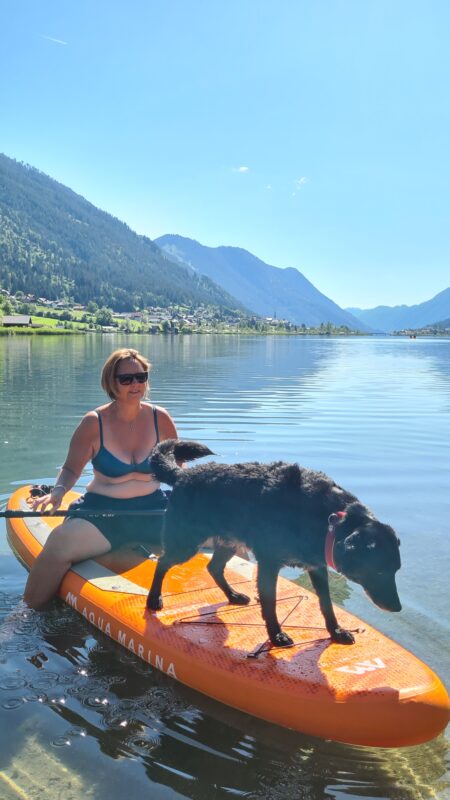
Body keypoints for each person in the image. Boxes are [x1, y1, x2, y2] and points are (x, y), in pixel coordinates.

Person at [24, 348, 178, 610]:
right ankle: (23, 618)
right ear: (111, 382)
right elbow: (72, 469)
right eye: (126, 379)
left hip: (153, 510)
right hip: (105, 515)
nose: (135, 384)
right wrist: (59, 491)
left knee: (225, 531)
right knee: (59, 544)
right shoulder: (93, 423)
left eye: (141, 377)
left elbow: (177, 467)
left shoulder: (160, 418)